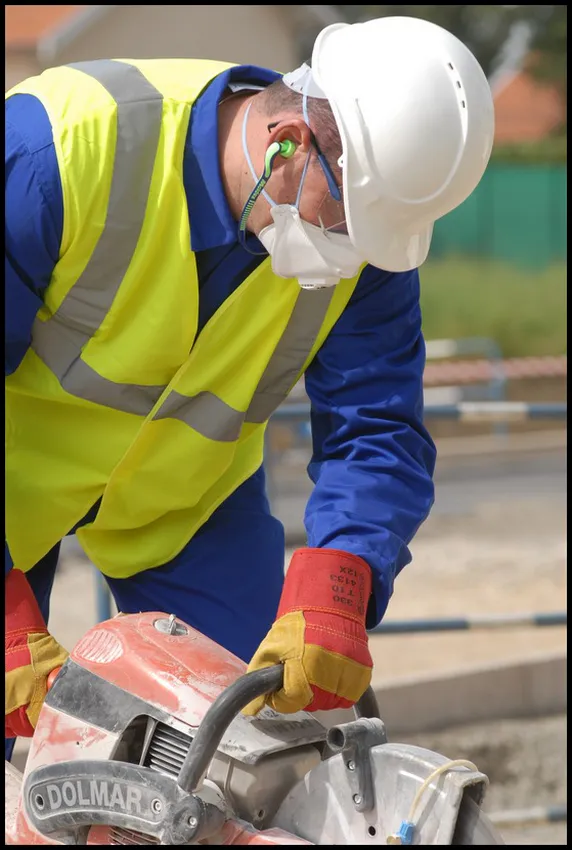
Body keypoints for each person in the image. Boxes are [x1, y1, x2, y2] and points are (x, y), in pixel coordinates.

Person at [5, 15, 494, 753]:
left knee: (254, 749)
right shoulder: (59, 154)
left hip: (185, 506)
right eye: (348, 221)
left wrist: (342, 576)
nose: (358, 253)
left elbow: (378, 427)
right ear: (286, 143)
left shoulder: (364, 249)